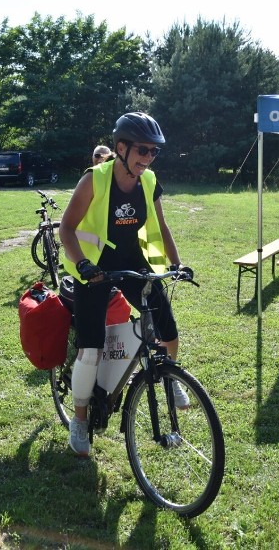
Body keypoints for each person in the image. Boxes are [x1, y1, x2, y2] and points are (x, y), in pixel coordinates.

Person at [59, 112, 192, 456]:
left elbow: (161, 227)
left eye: (154, 152)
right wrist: (83, 264)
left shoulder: (148, 181)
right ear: (121, 148)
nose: (148, 158)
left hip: (133, 260)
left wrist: (176, 264)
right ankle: (79, 419)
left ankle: (167, 376)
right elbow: (67, 229)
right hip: (95, 267)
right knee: (91, 350)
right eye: (143, 151)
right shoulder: (95, 180)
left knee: (168, 329)